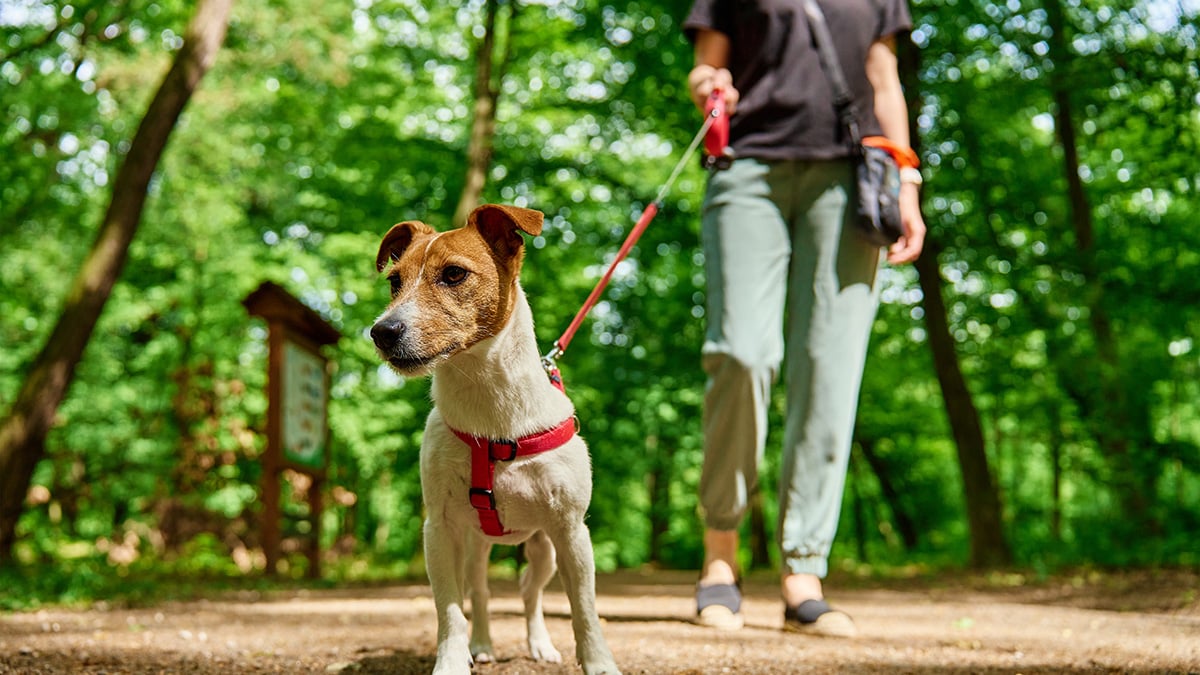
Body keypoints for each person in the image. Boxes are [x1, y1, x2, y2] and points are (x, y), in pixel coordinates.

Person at [682, 0, 926, 636]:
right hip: (748, 168)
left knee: (829, 367)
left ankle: (803, 574)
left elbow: (884, 81)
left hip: (850, 177)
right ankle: (720, 556)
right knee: (741, 352)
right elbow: (705, 67)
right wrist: (711, 86)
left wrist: (907, 185)